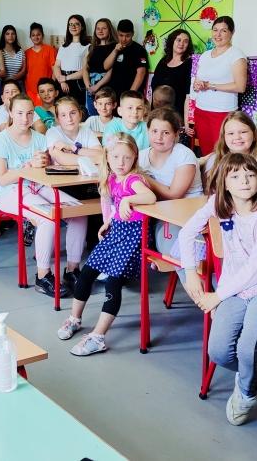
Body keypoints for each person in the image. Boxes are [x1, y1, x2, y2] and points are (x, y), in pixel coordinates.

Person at [179, 153, 257, 426]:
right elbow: (186, 233)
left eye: (250, 175)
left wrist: (216, 296)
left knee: (248, 347)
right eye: (236, 176)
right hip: (235, 291)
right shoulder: (219, 206)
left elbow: (256, 269)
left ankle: (246, 393)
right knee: (218, 351)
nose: (245, 181)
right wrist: (191, 273)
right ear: (225, 183)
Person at [57, 133, 155, 355]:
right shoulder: (112, 179)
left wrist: (129, 199)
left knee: (113, 283)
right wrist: (109, 221)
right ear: (107, 157)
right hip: (116, 232)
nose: (121, 162)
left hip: (133, 237)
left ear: (135, 158)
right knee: (86, 274)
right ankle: (74, 319)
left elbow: (149, 197)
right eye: (116, 157)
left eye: (127, 158)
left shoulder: (133, 180)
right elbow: (116, 206)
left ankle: (98, 337)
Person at [0, 95, 86, 297]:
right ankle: (43, 276)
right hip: (11, 191)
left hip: (39, 186)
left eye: (29, 113)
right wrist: (28, 167)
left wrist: (49, 162)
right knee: (47, 218)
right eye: (20, 113)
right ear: (10, 113)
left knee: (78, 213)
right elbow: (3, 179)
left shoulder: (41, 139)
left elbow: (50, 169)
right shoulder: (0, 141)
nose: (25, 118)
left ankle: (72, 270)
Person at [138, 108, 204, 258]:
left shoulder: (183, 155)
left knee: (178, 250)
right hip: (159, 212)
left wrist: (143, 176)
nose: (159, 137)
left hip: (187, 212)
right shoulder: (141, 156)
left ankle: (192, 272)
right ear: (148, 131)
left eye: (166, 133)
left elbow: (174, 194)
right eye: (154, 131)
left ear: (176, 134)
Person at [192, 16, 248, 156]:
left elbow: (240, 86)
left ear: (232, 33)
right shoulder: (205, 55)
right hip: (201, 110)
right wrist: (197, 85)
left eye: (223, 31)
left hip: (222, 112)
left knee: (222, 153)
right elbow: (197, 81)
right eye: (215, 30)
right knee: (206, 153)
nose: (218, 34)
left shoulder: (236, 55)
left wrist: (210, 86)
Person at [202, 112, 257, 194]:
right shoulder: (215, 159)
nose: (237, 137)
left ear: (254, 135)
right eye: (231, 133)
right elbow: (207, 191)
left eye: (243, 132)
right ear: (224, 137)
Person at [46, 96, 103, 167]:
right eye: (63, 115)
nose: (69, 119)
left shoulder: (87, 131)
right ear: (58, 119)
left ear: (80, 114)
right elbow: (61, 158)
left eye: (73, 113)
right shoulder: (53, 132)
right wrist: (95, 159)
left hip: (86, 173)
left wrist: (72, 148)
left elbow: (101, 154)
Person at [150, 29, 194, 118]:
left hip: (176, 114)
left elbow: (188, 94)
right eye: (179, 40)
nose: (181, 44)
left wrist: (186, 121)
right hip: (157, 112)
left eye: (186, 41)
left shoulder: (190, 63)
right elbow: (153, 87)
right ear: (172, 41)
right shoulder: (163, 61)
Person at [103, 19, 148, 98]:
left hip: (131, 93)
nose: (124, 39)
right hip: (114, 93)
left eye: (127, 36)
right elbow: (106, 66)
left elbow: (141, 73)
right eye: (121, 35)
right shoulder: (114, 47)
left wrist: (130, 95)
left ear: (133, 34)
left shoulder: (139, 49)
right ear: (117, 33)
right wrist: (115, 51)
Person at [54, 14, 89, 107]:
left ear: (82, 27)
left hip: (77, 83)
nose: (73, 26)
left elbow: (85, 70)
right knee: (61, 109)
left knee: (77, 109)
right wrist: (62, 81)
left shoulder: (88, 47)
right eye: (70, 24)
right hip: (61, 82)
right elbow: (56, 66)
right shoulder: (63, 47)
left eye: (76, 24)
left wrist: (66, 78)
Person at [84, 17, 116, 116]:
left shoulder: (115, 47)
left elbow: (112, 70)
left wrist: (97, 86)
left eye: (104, 28)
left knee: (105, 115)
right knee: (92, 115)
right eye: (98, 28)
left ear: (109, 30)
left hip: (106, 86)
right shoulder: (91, 47)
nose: (100, 31)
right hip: (91, 87)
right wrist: (89, 87)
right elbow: (85, 69)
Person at [23, 22, 56, 105]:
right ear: (30, 37)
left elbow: (55, 70)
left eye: (38, 34)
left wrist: (51, 87)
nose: (36, 37)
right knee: (32, 111)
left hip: (45, 90)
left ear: (42, 35)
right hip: (30, 90)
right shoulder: (26, 53)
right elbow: (25, 72)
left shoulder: (50, 50)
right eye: (33, 35)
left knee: (45, 111)